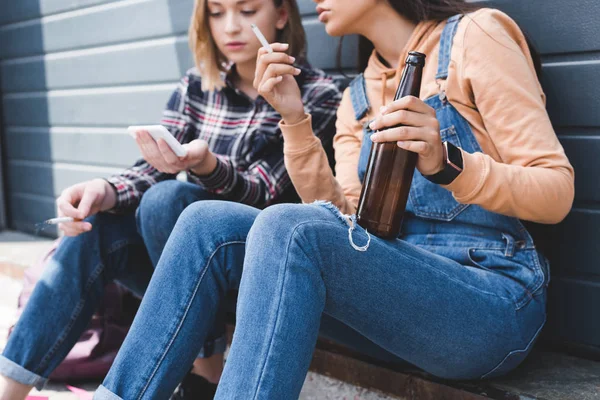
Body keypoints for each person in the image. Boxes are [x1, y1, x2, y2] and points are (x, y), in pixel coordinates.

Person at [79, 0, 574, 398]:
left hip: (490, 303)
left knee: (286, 225)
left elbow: (555, 191)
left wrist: (448, 161)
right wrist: (294, 119)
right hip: (398, 302)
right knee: (204, 219)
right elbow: (347, 224)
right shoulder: (357, 97)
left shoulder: (477, 36)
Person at [0, 0, 340, 398]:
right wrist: (104, 191)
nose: (230, 27)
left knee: (170, 201)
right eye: (216, 12)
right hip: (187, 274)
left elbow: (263, 189)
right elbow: (153, 166)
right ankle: (9, 388)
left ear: (281, 15)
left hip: (258, 272)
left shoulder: (318, 94)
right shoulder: (197, 84)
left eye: (247, 10)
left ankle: (207, 369)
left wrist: (208, 166)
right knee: (99, 225)